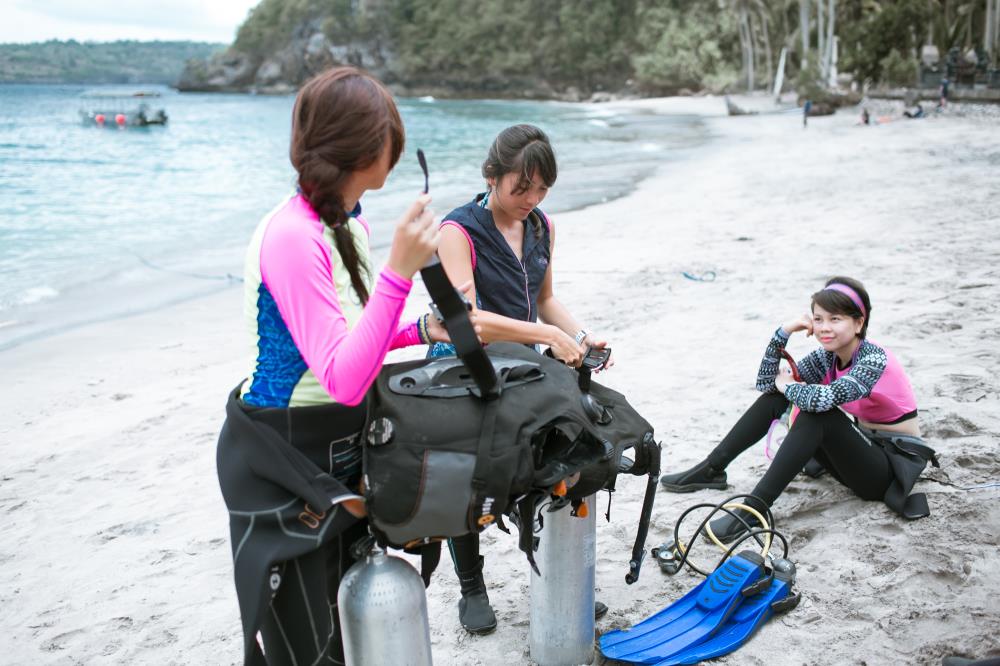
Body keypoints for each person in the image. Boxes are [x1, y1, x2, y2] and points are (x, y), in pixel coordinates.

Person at [216, 66, 460, 666]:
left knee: (357, 624)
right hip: (285, 455)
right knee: (313, 647)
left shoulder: (347, 223)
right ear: (368, 148)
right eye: (389, 137)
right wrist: (400, 272)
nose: (396, 150)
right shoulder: (292, 237)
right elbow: (341, 375)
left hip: (341, 443)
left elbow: (350, 341)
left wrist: (421, 327)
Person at [429, 123, 613, 634]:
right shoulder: (456, 231)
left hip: (525, 366)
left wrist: (581, 336)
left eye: (541, 189)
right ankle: (471, 587)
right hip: (461, 369)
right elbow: (465, 321)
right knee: (466, 478)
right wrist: (547, 335)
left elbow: (547, 299)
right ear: (491, 176)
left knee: (555, 464)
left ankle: (559, 576)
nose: (530, 199)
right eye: (520, 188)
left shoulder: (542, 227)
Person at [659, 277, 938, 542]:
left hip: (890, 469)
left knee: (817, 414)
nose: (824, 327)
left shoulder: (874, 359)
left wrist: (787, 386)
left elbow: (822, 400)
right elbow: (767, 386)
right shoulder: (826, 358)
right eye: (818, 319)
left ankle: (753, 510)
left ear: (858, 322)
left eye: (835, 319)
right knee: (778, 399)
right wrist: (783, 334)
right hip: (858, 457)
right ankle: (712, 469)